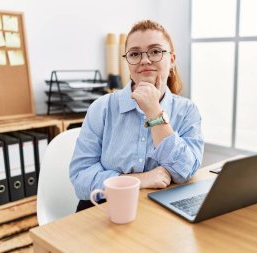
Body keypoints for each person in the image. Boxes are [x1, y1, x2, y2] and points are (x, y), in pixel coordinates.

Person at [69, 20, 204, 212]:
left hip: (158, 211)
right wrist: (140, 180)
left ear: (172, 60)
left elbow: (184, 171)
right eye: (134, 54)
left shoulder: (187, 111)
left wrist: (154, 112)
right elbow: (81, 180)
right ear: (128, 62)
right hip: (102, 208)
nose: (144, 60)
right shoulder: (102, 108)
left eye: (155, 51)